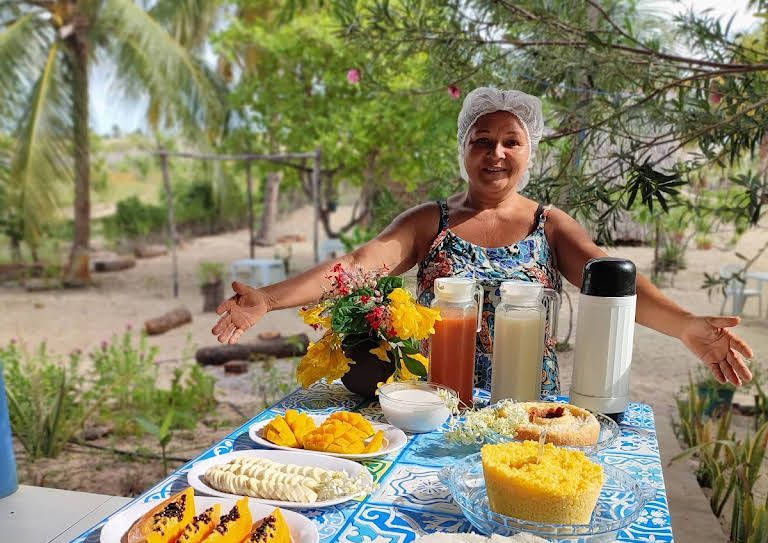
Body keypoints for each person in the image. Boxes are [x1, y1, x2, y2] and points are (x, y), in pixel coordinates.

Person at [212, 86, 753, 390]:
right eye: (483, 140)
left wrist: (685, 326)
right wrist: (269, 299)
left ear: (528, 149)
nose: (496, 153)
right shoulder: (431, 222)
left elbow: (610, 280)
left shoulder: (551, 224)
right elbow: (358, 263)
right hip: (435, 399)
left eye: (511, 141)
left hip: (525, 404)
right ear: (464, 149)